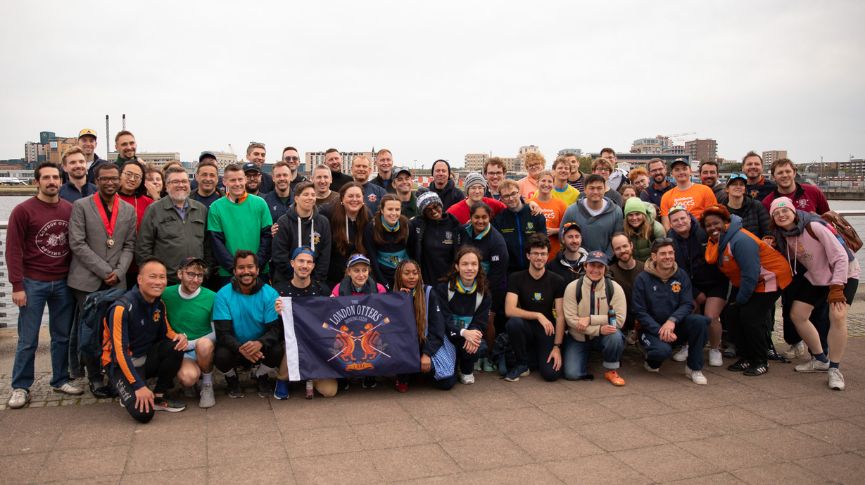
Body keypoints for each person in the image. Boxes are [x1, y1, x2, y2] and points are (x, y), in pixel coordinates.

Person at [6, 162, 83, 409]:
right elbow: (13, 250)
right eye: (46, 177)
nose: (52, 181)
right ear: (37, 182)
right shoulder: (23, 210)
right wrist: (17, 284)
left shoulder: (70, 209)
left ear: (61, 181)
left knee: (61, 336)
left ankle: (60, 379)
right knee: (28, 339)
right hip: (32, 282)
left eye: (55, 178)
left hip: (62, 282)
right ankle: (20, 386)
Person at [770, 197, 859, 390]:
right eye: (776, 213)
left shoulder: (814, 226)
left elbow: (841, 256)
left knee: (837, 316)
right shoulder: (784, 235)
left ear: (794, 211)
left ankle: (834, 369)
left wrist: (836, 287)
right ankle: (820, 359)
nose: (781, 215)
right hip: (817, 277)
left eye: (785, 210)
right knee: (797, 314)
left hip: (844, 275)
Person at [68, 162, 137, 398]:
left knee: (114, 330)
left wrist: (119, 272)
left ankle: (114, 373)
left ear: (119, 180)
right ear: (95, 181)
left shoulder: (128, 209)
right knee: (90, 332)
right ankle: (95, 377)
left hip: (116, 280)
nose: (109, 182)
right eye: (104, 179)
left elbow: (129, 244)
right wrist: (104, 269)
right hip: (86, 281)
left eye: (113, 178)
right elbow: (77, 242)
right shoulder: (81, 206)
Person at [702, 205, 792, 377]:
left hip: (770, 278)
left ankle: (760, 360)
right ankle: (745, 356)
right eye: (708, 225)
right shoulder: (717, 242)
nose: (713, 228)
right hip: (746, 282)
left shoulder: (740, 240)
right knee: (731, 315)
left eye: (716, 223)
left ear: (726, 222)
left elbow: (751, 272)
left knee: (750, 317)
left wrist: (742, 299)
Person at [103, 258, 188, 422]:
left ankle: (158, 396)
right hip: (119, 364)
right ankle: (127, 388)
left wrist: (179, 337)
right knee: (144, 415)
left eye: (162, 277)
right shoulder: (121, 308)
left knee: (175, 346)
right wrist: (138, 386)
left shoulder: (159, 304)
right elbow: (119, 353)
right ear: (140, 279)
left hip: (145, 358)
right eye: (153, 277)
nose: (159, 282)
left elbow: (166, 332)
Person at [632, 239, 710, 384]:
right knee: (662, 352)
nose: (668, 257)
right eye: (663, 254)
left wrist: (672, 321)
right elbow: (639, 311)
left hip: (675, 326)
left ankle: (694, 368)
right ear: (654, 256)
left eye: (670, 253)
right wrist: (660, 330)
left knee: (700, 322)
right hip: (651, 329)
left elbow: (687, 304)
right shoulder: (642, 279)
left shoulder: (681, 275)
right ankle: (651, 361)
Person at [214, 250, 287, 399]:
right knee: (221, 355)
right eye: (241, 268)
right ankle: (232, 378)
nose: (246, 271)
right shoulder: (222, 294)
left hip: (260, 348)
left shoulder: (270, 293)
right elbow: (223, 333)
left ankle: (260, 375)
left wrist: (260, 343)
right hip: (235, 347)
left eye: (250, 267)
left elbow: (274, 330)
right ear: (234, 271)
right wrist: (241, 348)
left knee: (277, 350)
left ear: (258, 270)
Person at [667, 206, 728, 367]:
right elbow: (677, 270)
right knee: (691, 310)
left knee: (710, 315)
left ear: (689, 217)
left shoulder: (704, 231)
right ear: (670, 224)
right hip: (691, 284)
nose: (680, 222)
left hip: (715, 281)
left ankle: (715, 348)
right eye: (675, 220)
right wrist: (695, 292)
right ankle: (688, 345)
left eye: (682, 218)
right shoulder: (670, 239)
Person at [272, 248, 333, 398]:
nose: (304, 265)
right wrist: (277, 313)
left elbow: (331, 320)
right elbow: (270, 325)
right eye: (301, 261)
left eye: (309, 262)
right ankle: (282, 379)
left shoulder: (322, 289)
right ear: (292, 263)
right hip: (290, 343)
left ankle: (310, 376)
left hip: (317, 343)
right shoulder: (279, 290)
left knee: (329, 391)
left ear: (313, 266)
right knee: (293, 343)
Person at [503, 234, 564, 382]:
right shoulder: (516, 278)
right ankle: (523, 363)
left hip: (547, 330)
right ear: (528, 255)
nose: (539, 257)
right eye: (535, 253)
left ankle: (534, 358)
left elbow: (561, 316)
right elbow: (509, 310)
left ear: (548, 256)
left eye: (543, 254)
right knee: (513, 323)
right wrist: (538, 315)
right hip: (526, 328)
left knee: (551, 375)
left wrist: (557, 347)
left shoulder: (557, 280)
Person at [562, 250, 627, 385]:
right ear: (585, 266)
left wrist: (590, 319)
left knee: (615, 335)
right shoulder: (573, 287)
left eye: (600, 266)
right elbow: (571, 320)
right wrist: (598, 330)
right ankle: (583, 359)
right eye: (592, 265)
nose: (595, 270)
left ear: (605, 268)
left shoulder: (614, 288)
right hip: (578, 337)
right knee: (572, 374)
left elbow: (619, 320)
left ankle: (611, 369)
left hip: (604, 336)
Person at [137, 166, 209, 286]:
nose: (181, 185)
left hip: (196, 280)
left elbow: (208, 245)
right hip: (167, 280)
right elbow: (143, 247)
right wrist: (154, 276)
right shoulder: (154, 210)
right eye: (175, 181)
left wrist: (207, 271)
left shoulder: (200, 209)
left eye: (184, 181)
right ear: (166, 185)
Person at [161, 257, 217, 408]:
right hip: (180, 349)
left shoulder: (211, 297)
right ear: (180, 274)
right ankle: (191, 382)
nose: (195, 279)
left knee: (204, 345)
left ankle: (207, 384)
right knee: (188, 378)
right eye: (191, 274)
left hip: (202, 346)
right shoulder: (166, 294)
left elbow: (216, 331)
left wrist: (191, 343)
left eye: (200, 275)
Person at [392, 259, 454, 391]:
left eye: (415, 273)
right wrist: (402, 300)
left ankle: (419, 370)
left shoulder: (429, 292)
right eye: (407, 273)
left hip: (426, 342)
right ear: (399, 276)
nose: (411, 277)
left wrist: (426, 354)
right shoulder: (393, 297)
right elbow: (393, 330)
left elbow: (437, 328)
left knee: (446, 383)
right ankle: (405, 374)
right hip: (406, 347)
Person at [207, 163, 273, 285]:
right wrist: (235, 268)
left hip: (259, 271)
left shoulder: (260, 203)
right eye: (232, 180)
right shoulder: (216, 207)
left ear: (245, 180)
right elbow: (216, 243)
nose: (237, 183)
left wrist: (255, 266)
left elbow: (267, 237)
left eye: (240, 179)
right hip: (228, 274)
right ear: (225, 182)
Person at [434, 246, 492, 385]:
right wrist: (464, 332)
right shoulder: (444, 288)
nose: (469, 268)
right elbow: (443, 319)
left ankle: (466, 369)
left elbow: (481, 321)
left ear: (479, 267)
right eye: (465, 264)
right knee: (446, 383)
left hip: (467, 339)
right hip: (446, 337)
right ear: (457, 266)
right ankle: (451, 365)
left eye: (474, 264)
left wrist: (472, 335)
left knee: (480, 345)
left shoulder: (484, 293)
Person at [272, 181, 331, 285]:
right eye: (306, 194)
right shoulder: (283, 222)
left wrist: (314, 281)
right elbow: (280, 256)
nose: (310, 198)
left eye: (313, 195)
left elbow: (324, 256)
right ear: (296, 198)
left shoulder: (323, 222)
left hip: (315, 283)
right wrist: (297, 280)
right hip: (287, 281)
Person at [560, 174, 624, 258]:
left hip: (606, 263)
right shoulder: (572, 211)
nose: (595, 192)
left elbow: (617, 238)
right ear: (585, 190)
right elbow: (562, 234)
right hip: (578, 261)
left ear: (605, 189)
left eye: (599, 188)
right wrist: (578, 255)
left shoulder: (616, 211)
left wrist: (605, 258)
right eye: (592, 188)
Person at [408, 191, 463, 286]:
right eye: (428, 210)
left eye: (435, 206)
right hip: (426, 282)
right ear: (423, 213)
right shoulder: (417, 225)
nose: (433, 211)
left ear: (441, 205)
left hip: (450, 281)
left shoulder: (454, 224)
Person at [493, 179, 547, 272]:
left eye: (513, 193)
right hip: (510, 271)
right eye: (506, 196)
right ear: (501, 198)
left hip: (533, 268)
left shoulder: (535, 214)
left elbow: (543, 243)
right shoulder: (498, 219)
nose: (511, 198)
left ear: (519, 193)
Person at [324, 182, 370, 287]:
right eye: (350, 196)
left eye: (358, 196)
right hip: (333, 278)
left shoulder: (367, 217)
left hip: (359, 279)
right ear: (342, 199)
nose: (354, 199)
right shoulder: (328, 214)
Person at [364, 194, 409, 290]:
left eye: (397, 210)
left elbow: (413, 253)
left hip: (404, 273)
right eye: (390, 209)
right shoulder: (372, 227)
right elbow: (372, 258)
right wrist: (383, 283)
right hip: (382, 273)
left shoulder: (407, 225)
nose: (394, 213)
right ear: (382, 210)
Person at [660, 158, 717, 230]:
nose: (681, 172)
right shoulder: (666, 196)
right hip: (678, 236)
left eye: (684, 169)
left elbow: (714, 216)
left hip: (701, 234)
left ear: (690, 171)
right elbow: (666, 224)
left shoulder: (705, 190)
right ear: (672, 174)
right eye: (677, 170)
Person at [762, 158, 830, 215]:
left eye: (788, 171)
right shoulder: (767, 202)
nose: (785, 175)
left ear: (794, 173)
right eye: (780, 173)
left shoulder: (814, 192)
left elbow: (827, 219)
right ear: (773, 177)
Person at [531, 171, 567, 260]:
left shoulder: (561, 204)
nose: (546, 184)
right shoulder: (529, 203)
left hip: (554, 254)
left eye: (550, 181)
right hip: (535, 254)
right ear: (537, 183)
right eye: (543, 181)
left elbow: (569, 227)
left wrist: (555, 231)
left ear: (553, 184)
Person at [722, 173, 770, 239]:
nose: (738, 187)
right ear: (727, 189)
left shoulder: (756, 206)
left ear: (744, 189)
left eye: (741, 185)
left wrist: (767, 239)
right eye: (734, 184)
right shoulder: (722, 210)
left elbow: (768, 230)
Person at [117, 159, 154, 230]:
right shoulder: (109, 198)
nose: (132, 179)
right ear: (120, 174)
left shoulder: (148, 203)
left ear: (141, 180)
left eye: (137, 176)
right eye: (128, 174)